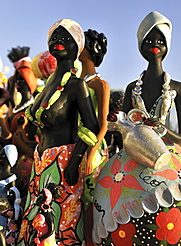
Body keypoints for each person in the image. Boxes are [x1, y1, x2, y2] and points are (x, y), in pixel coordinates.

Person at [92, 11, 181, 246]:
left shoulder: (178, 87)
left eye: (159, 41)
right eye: (148, 41)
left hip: (168, 156)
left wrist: (160, 131)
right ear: (140, 46)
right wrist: (118, 121)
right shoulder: (130, 88)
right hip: (130, 157)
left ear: (167, 46)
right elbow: (120, 127)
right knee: (110, 196)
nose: (154, 45)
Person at [18, 19, 99, 246]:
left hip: (63, 166)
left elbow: (91, 126)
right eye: (54, 37)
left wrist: (75, 161)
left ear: (78, 47)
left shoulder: (76, 85)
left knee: (60, 225)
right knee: (35, 224)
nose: (58, 42)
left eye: (66, 38)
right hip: (40, 163)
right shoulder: (49, 85)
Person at [78, 28, 109, 246]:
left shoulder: (100, 84)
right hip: (71, 147)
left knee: (89, 202)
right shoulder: (70, 81)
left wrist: (90, 154)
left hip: (93, 149)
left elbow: (104, 124)